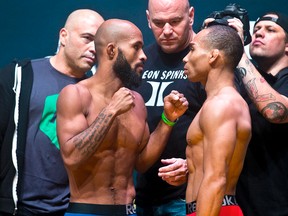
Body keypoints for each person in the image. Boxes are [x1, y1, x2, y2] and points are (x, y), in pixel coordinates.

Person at [56, 18, 189, 216]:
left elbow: (141, 163)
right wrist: (110, 111)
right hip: (87, 211)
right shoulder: (75, 95)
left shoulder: (136, 102)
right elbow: (72, 157)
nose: (143, 56)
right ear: (111, 51)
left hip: (128, 211)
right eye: (136, 47)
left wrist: (168, 119)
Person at [0, 9, 104, 215]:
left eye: (98, 43)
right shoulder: (19, 76)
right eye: (87, 38)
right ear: (63, 36)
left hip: (74, 208)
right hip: (18, 207)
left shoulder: (98, 89)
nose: (93, 48)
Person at [134, 0, 206, 215]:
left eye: (175, 21)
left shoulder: (206, 62)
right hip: (144, 196)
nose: (166, 31)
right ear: (148, 19)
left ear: (191, 16)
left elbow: (230, 129)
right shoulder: (140, 62)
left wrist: (191, 164)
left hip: (189, 197)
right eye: (158, 22)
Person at [183, 25, 251, 216]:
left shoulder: (222, 104)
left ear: (213, 56)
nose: (185, 58)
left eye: (192, 49)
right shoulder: (216, 102)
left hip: (215, 209)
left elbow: (216, 178)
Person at [230, 12, 288, 216]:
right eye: (256, 30)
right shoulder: (241, 81)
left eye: (270, 30)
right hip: (240, 206)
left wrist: (239, 55)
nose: (259, 34)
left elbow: (276, 112)